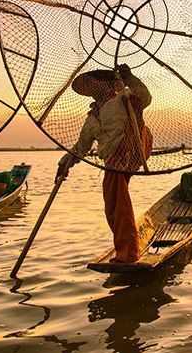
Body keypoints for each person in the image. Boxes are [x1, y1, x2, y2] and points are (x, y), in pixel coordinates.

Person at [57, 64, 153, 263]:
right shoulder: (93, 117)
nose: (93, 88)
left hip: (132, 147)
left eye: (95, 83)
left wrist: (128, 77)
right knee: (111, 206)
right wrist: (64, 164)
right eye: (89, 86)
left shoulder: (123, 98)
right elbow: (82, 147)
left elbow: (145, 97)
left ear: (107, 84)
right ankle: (126, 246)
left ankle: (128, 254)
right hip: (112, 159)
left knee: (118, 203)